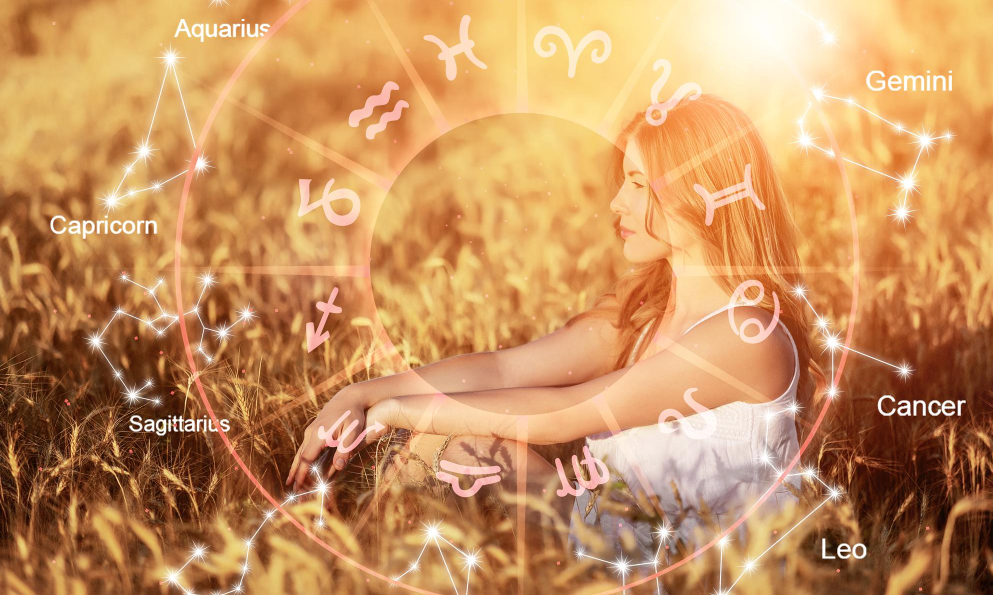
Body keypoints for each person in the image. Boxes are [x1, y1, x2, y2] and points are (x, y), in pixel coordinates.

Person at [286, 94, 820, 552]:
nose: (616, 201)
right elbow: (501, 371)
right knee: (446, 443)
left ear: (698, 192)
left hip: (693, 568)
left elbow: (564, 414)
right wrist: (361, 393)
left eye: (638, 183)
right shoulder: (645, 310)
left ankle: (333, 573)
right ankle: (342, 573)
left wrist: (399, 409)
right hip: (615, 532)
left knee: (434, 429)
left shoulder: (749, 335)